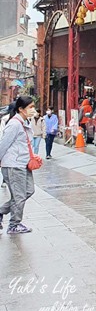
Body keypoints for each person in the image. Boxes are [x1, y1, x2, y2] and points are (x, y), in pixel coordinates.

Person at [0, 96, 38, 234]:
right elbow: (3, 144)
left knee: (29, 191)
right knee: (19, 196)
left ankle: (1, 212)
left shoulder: (23, 122)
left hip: (23, 163)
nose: (33, 110)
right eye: (30, 107)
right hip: (13, 165)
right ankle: (14, 225)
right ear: (21, 109)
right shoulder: (14, 124)